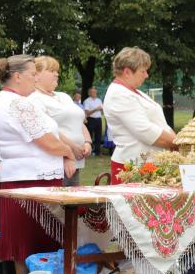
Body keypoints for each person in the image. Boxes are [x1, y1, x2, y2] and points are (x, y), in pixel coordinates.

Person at [0, 55, 76, 274]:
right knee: (30, 237)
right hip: (30, 177)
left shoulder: (11, 100)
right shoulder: (18, 104)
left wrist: (64, 150)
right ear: (17, 76)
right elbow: (47, 141)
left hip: (28, 175)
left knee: (33, 237)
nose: (36, 77)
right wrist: (69, 152)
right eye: (32, 73)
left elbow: (50, 135)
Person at [103, 47, 176, 182]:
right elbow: (146, 131)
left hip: (147, 165)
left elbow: (160, 124)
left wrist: (176, 141)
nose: (146, 75)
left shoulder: (133, 92)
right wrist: (179, 143)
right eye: (143, 71)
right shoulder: (119, 95)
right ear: (127, 72)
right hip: (133, 167)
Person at [30, 56, 92, 186]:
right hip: (55, 162)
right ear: (36, 75)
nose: (57, 74)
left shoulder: (64, 96)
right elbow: (46, 130)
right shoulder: (34, 98)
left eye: (57, 71)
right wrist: (70, 150)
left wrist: (87, 142)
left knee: (74, 197)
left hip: (76, 162)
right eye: (51, 71)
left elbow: (79, 122)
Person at [83, 87, 103, 156]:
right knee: (89, 135)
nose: (95, 93)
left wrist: (101, 109)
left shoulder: (99, 100)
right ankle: (89, 151)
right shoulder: (87, 101)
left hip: (98, 119)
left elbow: (101, 110)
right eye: (93, 92)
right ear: (89, 93)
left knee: (98, 136)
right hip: (91, 119)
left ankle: (98, 151)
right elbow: (87, 112)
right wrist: (96, 109)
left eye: (95, 92)